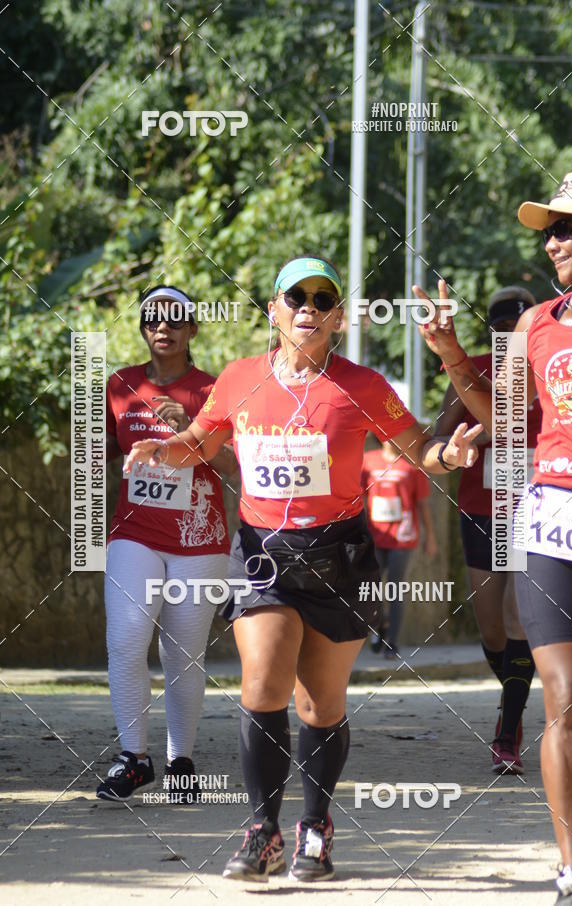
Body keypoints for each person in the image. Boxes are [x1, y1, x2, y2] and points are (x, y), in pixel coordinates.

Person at [123, 254, 482, 882]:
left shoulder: (362, 386)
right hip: (262, 552)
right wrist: (160, 451)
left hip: (340, 555)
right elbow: (202, 445)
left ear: (339, 317)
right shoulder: (238, 379)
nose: (308, 309)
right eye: (296, 298)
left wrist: (446, 454)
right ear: (274, 311)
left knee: (320, 704)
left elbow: (418, 447)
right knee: (262, 684)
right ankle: (262, 833)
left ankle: (314, 826)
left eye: (323, 299)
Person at [414, 172, 572, 905]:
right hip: (556, 516)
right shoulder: (537, 324)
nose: (553, 242)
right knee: (566, 701)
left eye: (568, 228)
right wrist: (453, 353)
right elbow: (508, 420)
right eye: (547, 231)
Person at [96, 285, 236, 802]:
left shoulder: (215, 389)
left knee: (183, 653)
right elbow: (99, 453)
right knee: (127, 640)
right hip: (135, 534)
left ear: (192, 329)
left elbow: (236, 466)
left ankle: (181, 762)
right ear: (142, 326)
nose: (163, 327)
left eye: (176, 320)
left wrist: (191, 436)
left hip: (199, 540)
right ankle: (134, 758)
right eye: (153, 319)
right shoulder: (118, 385)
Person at [435, 287, 542, 774]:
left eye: (515, 327)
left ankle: (507, 731)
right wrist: (455, 446)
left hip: (536, 511)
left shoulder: (551, 365)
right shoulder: (469, 367)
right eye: (499, 328)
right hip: (484, 511)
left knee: (518, 620)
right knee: (492, 628)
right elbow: (438, 431)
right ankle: (512, 696)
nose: (507, 336)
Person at [361, 438, 437, 659]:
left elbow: (422, 503)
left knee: (395, 587)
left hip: (403, 537)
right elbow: (359, 496)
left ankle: (392, 641)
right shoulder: (368, 460)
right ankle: (381, 624)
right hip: (375, 535)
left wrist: (430, 536)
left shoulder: (412, 464)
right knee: (369, 585)